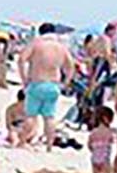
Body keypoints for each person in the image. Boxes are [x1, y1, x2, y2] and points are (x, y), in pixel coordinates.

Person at [18, 23, 75, 151]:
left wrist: (24, 79)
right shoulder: (61, 47)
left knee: (31, 116)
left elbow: (21, 59)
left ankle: (22, 142)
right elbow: (70, 66)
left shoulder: (36, 43)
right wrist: (66, 82)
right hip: (54, 85)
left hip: (37, 82)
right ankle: (49, 146)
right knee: (49, 117)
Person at [88, 105, 116, 173]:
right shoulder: (108, 131)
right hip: (104, 157)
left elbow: (89, 145)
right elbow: (111, 140)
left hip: (94, 157)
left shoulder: (93, 132)